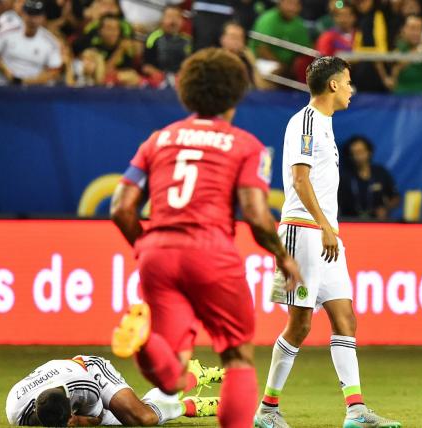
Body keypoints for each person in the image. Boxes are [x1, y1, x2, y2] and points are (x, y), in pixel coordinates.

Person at [109, 48, 303, 428]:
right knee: (237, 358)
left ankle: (145, 341)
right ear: (235, 94)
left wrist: (145, 246)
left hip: (158, 255)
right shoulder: (246, 146)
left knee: (173, 375)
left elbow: (120, 207)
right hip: (211, 253)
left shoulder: (158, 140)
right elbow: (255, 214)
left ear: (186, 91)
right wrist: (283, 256)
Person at [254, 56, 401, 428]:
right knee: (300, 323)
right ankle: (267, 409)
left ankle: (355, 411)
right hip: (303, 232)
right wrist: (325, 226)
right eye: (348, 82)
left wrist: (328, 228)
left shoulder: (325, 126)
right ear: (333, 84)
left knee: (345, 317)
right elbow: (300, 180)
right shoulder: (305, 122)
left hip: (324, 234)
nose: (352, 89)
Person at [5, 355, 221, 426]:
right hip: (63, 377)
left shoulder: (83, 386)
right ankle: (190, 401)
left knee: (141, 417)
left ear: (71, 408)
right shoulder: (14, 408)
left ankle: (192, 376)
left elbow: (98, 417)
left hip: (91, 370)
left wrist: (83, 421)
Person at [0, 0, 62, 86]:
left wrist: (25, 81)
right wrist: (7, 73)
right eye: (29, 14)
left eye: (37, 15)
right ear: (23, 14)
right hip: (4, 85)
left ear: (43, 17)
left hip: (34, 90)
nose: (32, 19)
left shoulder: (51, 42)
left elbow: (54, 71)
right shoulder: (7, 33)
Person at [338, 135, 400, 220]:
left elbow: (395, 198)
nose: (357, 156)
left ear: (369, 152)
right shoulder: (344, 177)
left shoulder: (380, 173)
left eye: (360, 152)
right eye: (353, 153)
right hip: (351, 222)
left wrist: (385, 208)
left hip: (377, 222)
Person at [250, 0, 311, 78]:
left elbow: (305, 51)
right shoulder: (268, 19)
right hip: (264, 62)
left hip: (289, 66)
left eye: (296, 4)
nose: (292, 8)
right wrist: (281, 65)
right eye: (289, 3)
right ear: (280, 3)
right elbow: (262, 50)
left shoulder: (299, 24)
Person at [142, 5, 191, 87]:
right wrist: (163, 77)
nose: (173, 21)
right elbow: (146, 66)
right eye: (169, 17)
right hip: (159, 80)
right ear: (162, 20)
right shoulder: (153, 38)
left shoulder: (188, 40)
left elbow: (191, 64)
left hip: (181, 80)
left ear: (182, 21)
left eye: (177, 17)